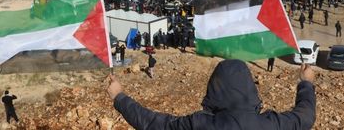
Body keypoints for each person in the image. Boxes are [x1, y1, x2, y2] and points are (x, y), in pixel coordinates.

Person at [107, 60, 315, 129]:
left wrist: (119, 97)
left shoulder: (199, 124)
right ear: (250, 89)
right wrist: (305, 83)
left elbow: (152, 123)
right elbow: (305, 116)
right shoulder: (272, 124)